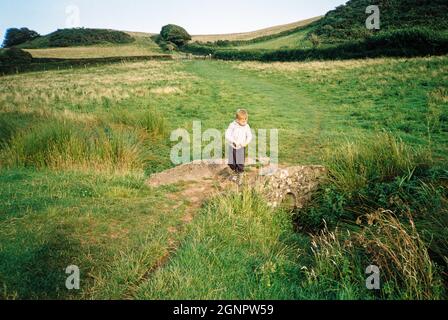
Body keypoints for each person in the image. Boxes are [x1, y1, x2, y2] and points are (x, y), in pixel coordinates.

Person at [225, 109, 253, 183]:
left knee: (240, 163)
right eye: (243, 121)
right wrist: (233, 141)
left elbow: (249, 136)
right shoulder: (232, 125)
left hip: (241, 147)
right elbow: (227, 134)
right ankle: (235, 172)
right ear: (237, 120)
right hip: (232, 146)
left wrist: (245, 143)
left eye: (246, 120)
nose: (245, 122)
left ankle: (240, 174)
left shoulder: (246, 126)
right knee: (231, 163)